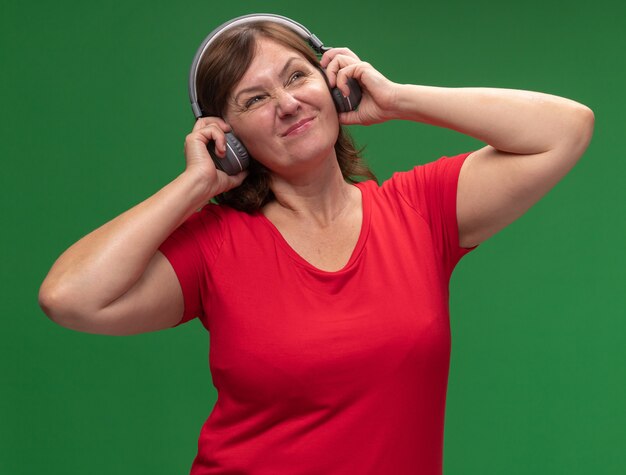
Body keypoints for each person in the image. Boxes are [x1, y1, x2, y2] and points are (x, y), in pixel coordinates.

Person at [38, 15, 594, 475]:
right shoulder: (214, 246)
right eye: (253, 99)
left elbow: (565, 129)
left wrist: (398, 99)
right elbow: (69, 296)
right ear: (226, 135)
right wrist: (195, 184)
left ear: (333, 82)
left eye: (297, 76)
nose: (286, 103)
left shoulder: (418, 211)